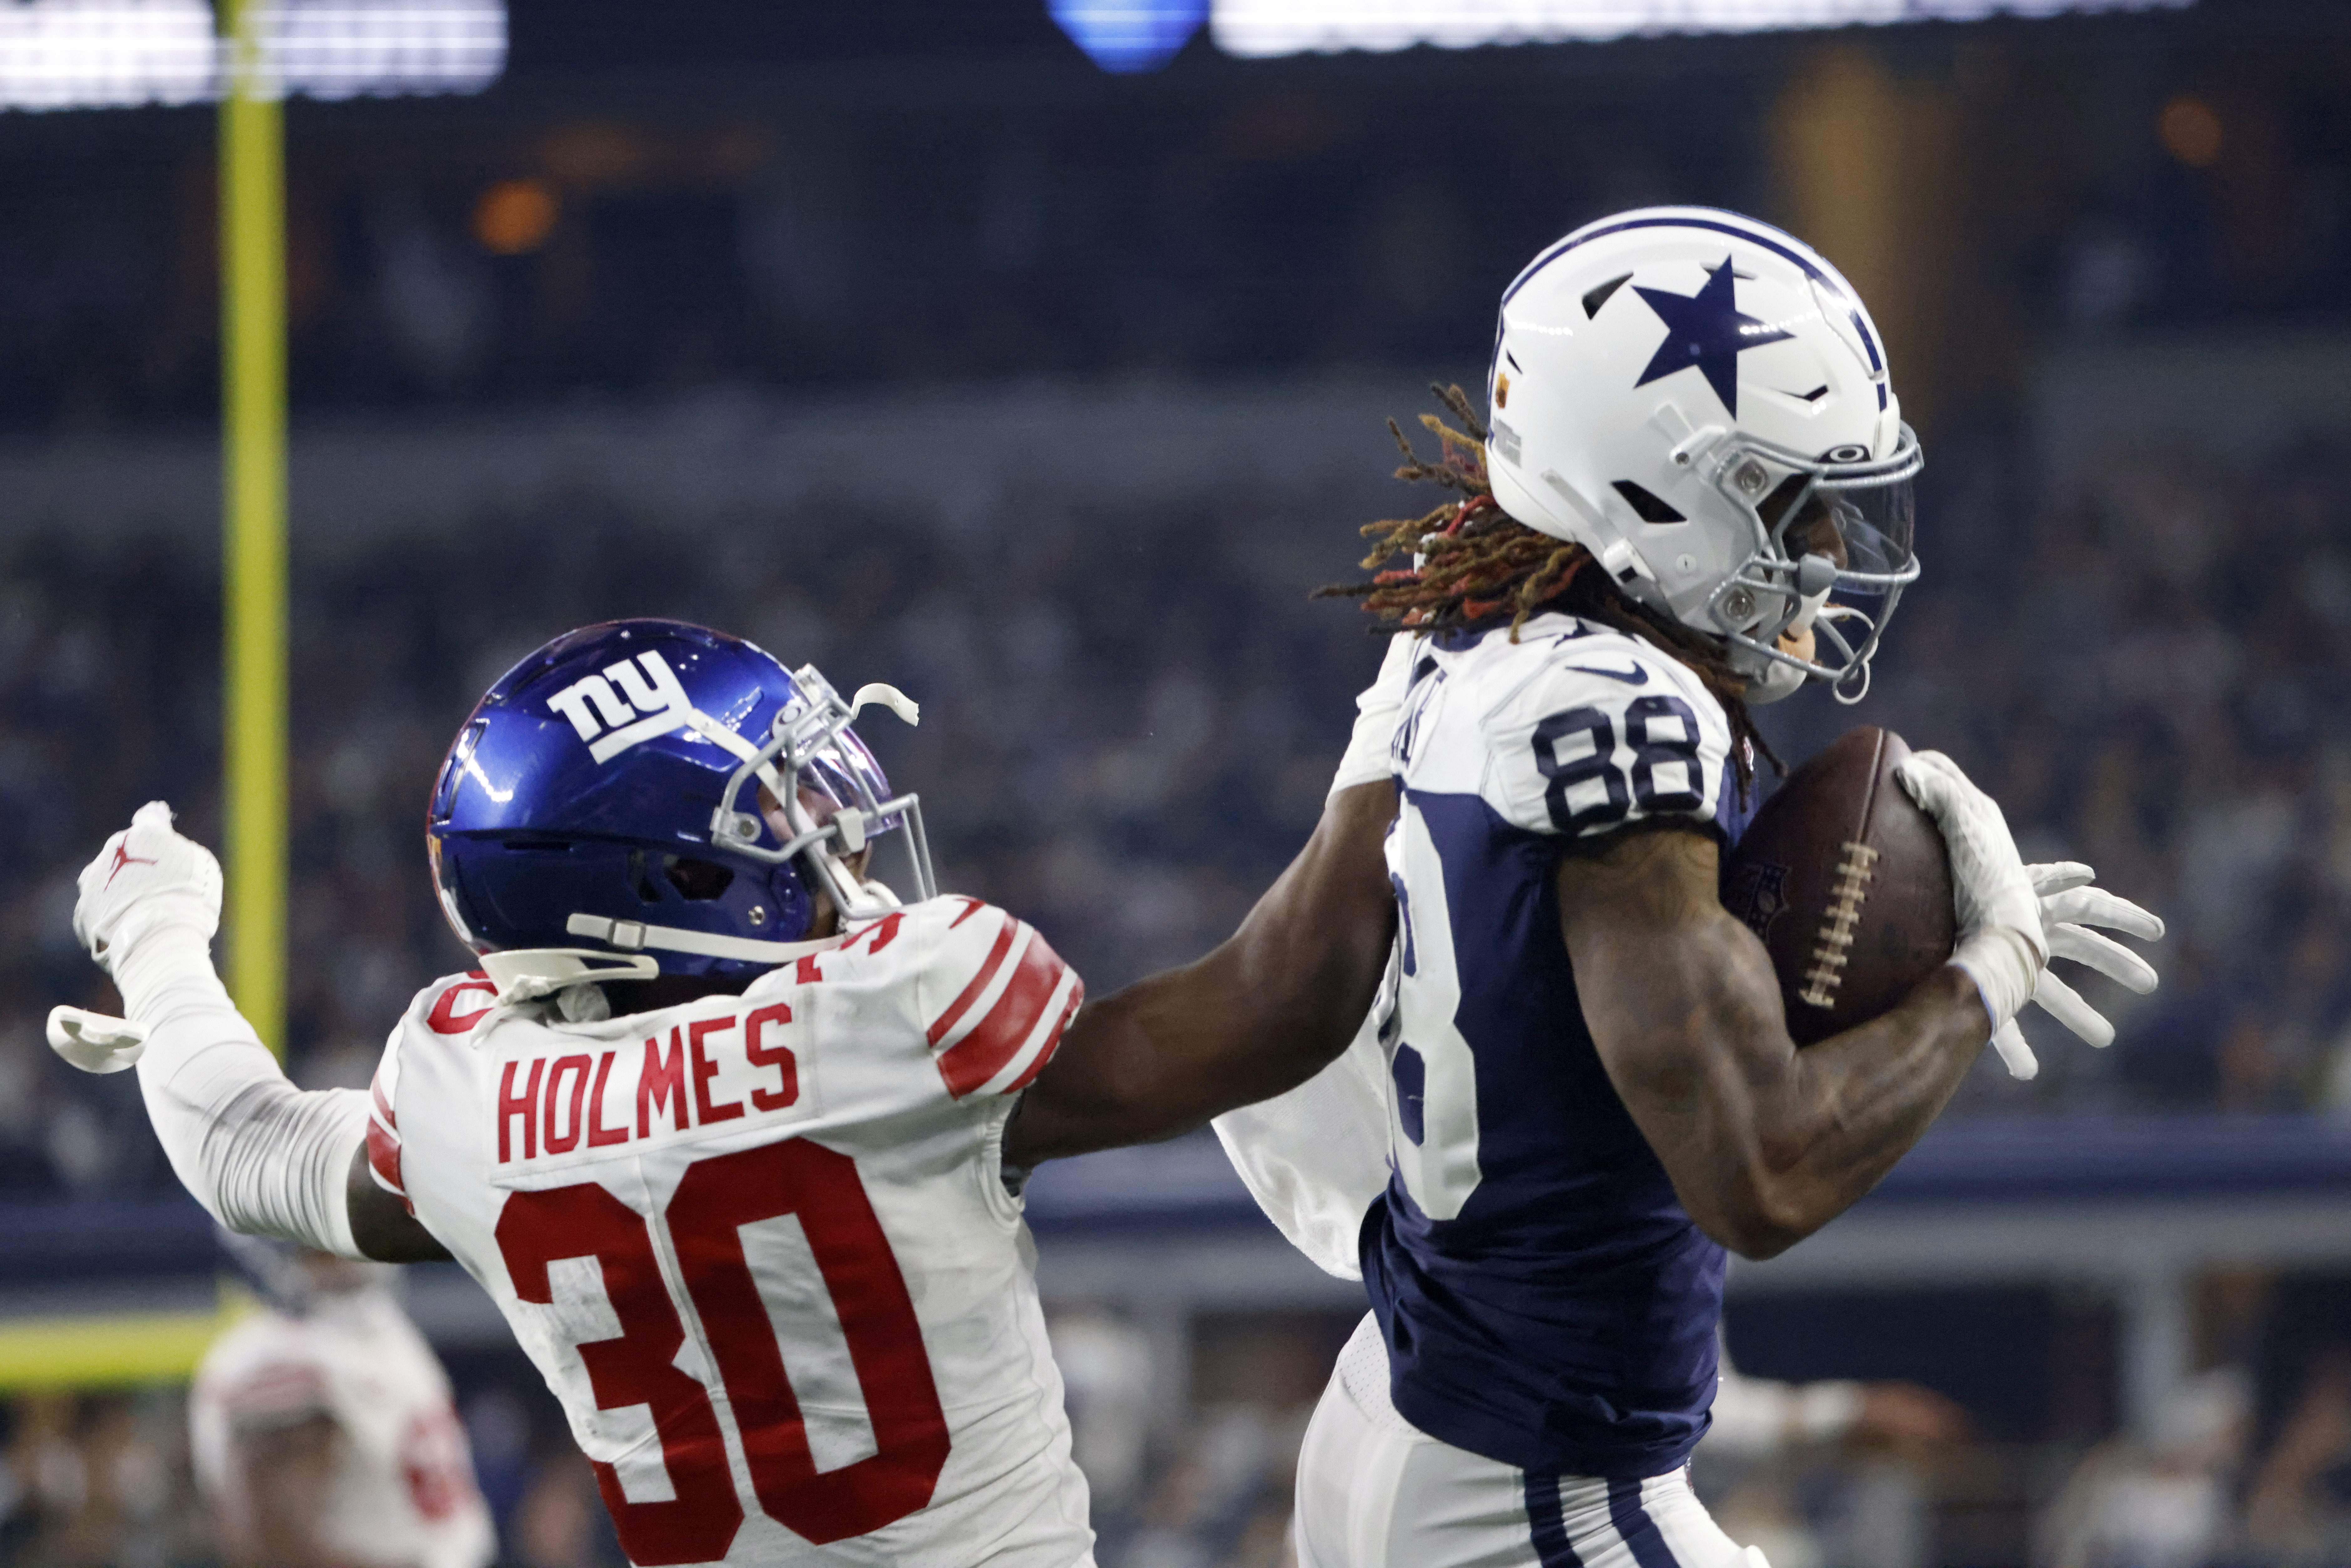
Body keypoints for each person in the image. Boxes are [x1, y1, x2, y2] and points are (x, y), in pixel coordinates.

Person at [1002, 208, 2167, 1567]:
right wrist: (1988, 968)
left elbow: (1286, 986)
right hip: (1536, 1498)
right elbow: (1763, 1172)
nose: (1830, 556)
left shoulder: (1472, 627)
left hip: (1408, 1409)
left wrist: (987, 1115)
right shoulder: (1624, 715)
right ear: (1653, 487)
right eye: (1788, 502)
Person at [66, 620, 1094, 1565]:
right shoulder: (895, 1020)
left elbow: (246, 1142)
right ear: (677, 879)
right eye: (786, 817)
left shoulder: (472, 1091)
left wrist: (155, 931)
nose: (842, 852)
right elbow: (1237, 1014)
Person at [190, 1234, 495, 1568]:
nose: (350, 1254)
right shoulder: (275, 1355)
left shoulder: (384, 1331)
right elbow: (272, 1540)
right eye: (322, 1249)